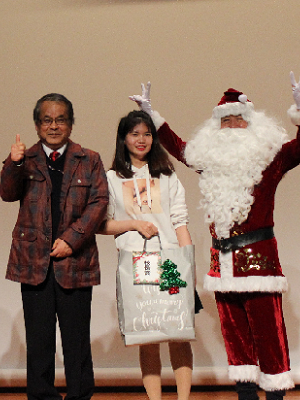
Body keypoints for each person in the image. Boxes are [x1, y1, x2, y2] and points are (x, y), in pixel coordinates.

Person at [130, 67, 300, 400]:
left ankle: (275, 394)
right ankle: (245, 393)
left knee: (268, 334)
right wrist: (151, 115)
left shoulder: (270, 159)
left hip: (259, 263)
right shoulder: (210, 162)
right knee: (234, 334)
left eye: (238, 120)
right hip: (222, 265)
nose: (231, 127)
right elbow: (179, 147)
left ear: (252, 124)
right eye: (225, 121)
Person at [0, 93, 109, 400]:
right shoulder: (26, 158)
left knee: (77, 341)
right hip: (34, 263)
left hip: (76, 261)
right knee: (39, 342)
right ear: (37, 125)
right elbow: (7, 193)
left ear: (71, 124)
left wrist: (71, 241)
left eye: (61, 119)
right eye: (47, 120)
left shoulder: (89, 159)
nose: (54, 126)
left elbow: (99, 202)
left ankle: (79, 395)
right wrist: (14, 162)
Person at [99, 110, 197, 400]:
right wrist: (133, 224)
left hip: (171, 260)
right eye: (134, 134)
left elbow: (180, 220)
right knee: (148, 335)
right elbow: (102, 224)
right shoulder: (112, 178)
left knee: (178, 332)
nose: (141, 140)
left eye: (147, 134)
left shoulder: (166, 175)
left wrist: (188, 262)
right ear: (123, 138)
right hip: (138, 262)